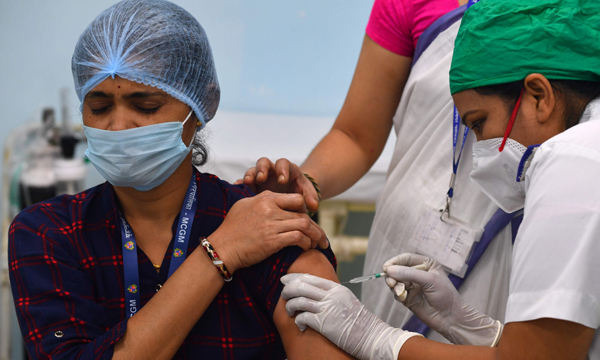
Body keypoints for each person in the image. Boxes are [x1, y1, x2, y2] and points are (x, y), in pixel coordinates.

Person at [7, 1, 353, 359]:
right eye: (99, 106)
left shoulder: (263, 224)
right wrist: (219, 253)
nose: (119, 126)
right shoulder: (49, 232)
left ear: (199, 107)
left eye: (146, 106)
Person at [281, 0, 600, 358]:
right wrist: (467, 325)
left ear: (539, 96)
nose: (479, 156)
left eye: (479, 123)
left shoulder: (573, 164)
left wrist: (378, 340)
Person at [241, 0, 516, 344]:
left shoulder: (571, 14)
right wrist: (306, 183)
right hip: (407, 239)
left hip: (529, 239)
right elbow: (356, 136)